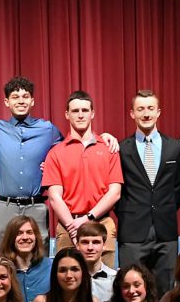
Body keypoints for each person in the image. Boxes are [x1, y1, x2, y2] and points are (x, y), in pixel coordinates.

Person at [116, 90, 180, 296]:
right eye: (140, 109)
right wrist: (129, 212)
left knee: (165, 291)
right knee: (131, 290)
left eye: (150, 108)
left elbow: (179, 186)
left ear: (159, 112)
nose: (146, 113)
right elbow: (117, 190)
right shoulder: (121, 149)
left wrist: (163, 210)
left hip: (165, 231)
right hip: (132, 231)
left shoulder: (175, 148)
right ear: (132, 113)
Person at [42, 90, 122, 268]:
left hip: (101, 223)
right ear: (67, 114)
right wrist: (72, 226)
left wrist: (88, 218)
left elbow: (115, 192)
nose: (80, 115)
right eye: (75, 111)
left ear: (92, 113)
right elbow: (55, 196)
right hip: (68, 224)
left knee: (105, 284)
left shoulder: (109, 148)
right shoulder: (56, 153)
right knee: (67, 284)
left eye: (85, 110)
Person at [0, 76, 63, 251]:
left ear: (32, 101)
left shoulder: (48, 129)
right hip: (3, 207)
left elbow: (68, 149)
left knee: (38, 259)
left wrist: (104, 137)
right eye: (15, 97)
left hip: (35, 206)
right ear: (6, 102)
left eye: (25, 96)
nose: (21, 101)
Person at [0, 214, 51, 302]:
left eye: (30, 232)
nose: (25, 237)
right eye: (19, 233)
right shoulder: (1, 269)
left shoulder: (51, 266)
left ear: (36, 237)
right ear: (11, 238)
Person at [75, 220, 116, 302]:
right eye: (85, 242)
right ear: (77, 245)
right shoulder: (70, 278)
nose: (90, 247)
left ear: (104, 245)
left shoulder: (115, 278)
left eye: (96, 242)